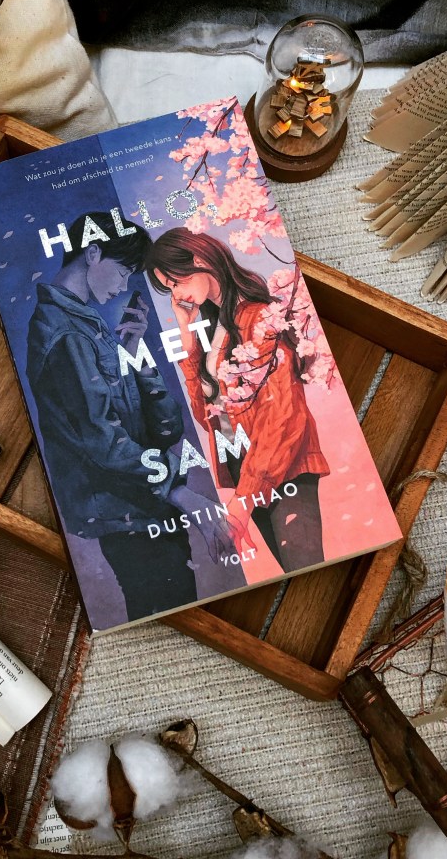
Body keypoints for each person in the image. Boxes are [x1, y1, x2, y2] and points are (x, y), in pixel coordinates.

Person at [26, 211, 232, 623]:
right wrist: (183, 494)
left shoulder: (88, 326)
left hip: (144, 507)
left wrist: (136, 354)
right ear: (93, 254)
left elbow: (167, 426)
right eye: (122, 272)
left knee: (181, 613)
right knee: (173, 619)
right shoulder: (66, 334)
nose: (124, 286)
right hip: (126, 515)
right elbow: (104, 444)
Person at [146, 227, 330, 573]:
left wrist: (244, 502)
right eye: (168, 288)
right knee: (294, 571)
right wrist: (187, 336)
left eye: (175, 281)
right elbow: (207, 417)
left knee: (307, 569)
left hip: (280, 463)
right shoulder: (216, 325)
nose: (176, 294)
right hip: (244, 467)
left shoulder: (259, 318)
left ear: (199, 259)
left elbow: (282, 415)